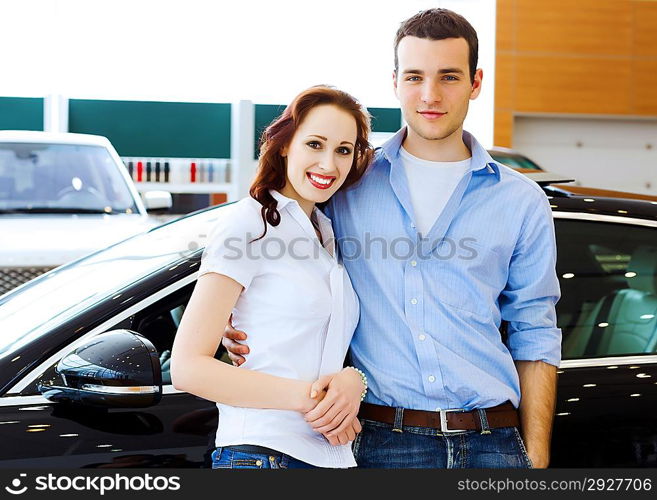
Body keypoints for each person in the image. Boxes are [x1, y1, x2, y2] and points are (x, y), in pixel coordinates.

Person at [223, 8, 561, 469]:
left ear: (475, 83)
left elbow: (535, 331)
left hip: (494, 442)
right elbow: (276, 252)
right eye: (415, 76)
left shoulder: (521, 201)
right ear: (395, 81)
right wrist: (234, 310)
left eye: (449, 77)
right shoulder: (345, 183)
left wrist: (536, 459)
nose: (430, 95)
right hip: (380, 441)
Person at [170, 85, 374, 469]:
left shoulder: (327, 232)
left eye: (343, 150)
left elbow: (311, 346)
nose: (328, 164)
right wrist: (314, 398)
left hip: (329, 456)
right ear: (284, 145)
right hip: (262, 453)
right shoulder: (249, 224)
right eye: (315, 144)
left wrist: (352, 381)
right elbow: (187, 367)